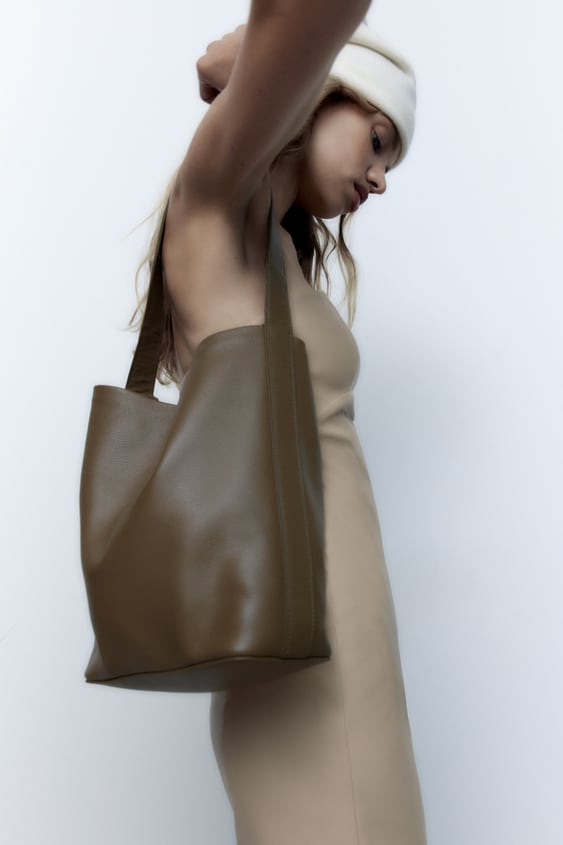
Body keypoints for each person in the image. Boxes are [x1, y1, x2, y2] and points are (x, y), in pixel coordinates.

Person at [129, 2, 426, 842]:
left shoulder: (272, 246)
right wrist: (251, 59)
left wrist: (251, 63)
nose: (379, 179)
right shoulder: (220, 199)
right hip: (311, 629)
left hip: (331, 618)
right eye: (377, 138)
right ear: (323, 92)